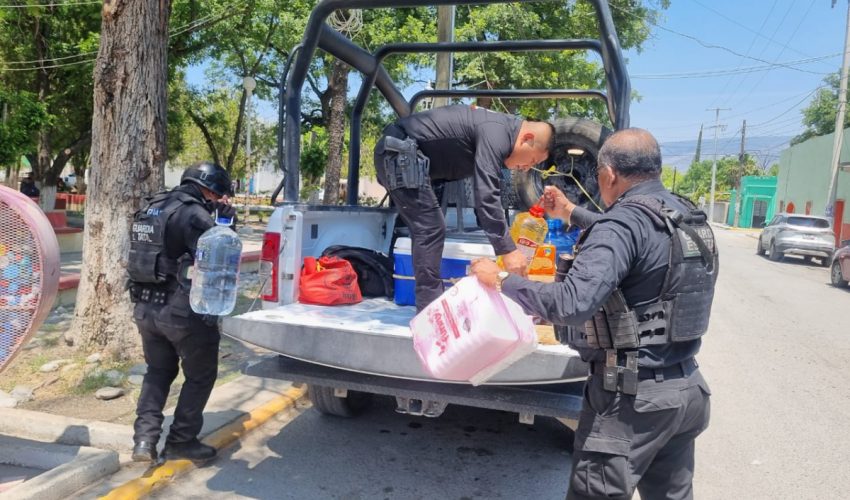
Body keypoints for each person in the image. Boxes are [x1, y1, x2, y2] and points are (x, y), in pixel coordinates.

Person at [471, 128, 717, 500]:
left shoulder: (620, 226)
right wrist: (570, 212)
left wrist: (501, 279)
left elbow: (571, 304)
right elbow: (636, 238)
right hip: (685, 393)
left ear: (608, 175)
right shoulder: (684, 216)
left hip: (631, 403)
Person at [374, 103, 555, 311]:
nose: (526, 168)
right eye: (531, 160)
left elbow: (487, 197)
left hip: (412, 159)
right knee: (430, 228)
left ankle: (429, 303)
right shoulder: (497, 132)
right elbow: (486, 195)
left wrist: (502, 243)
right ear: (527, 138)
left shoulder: (501, 131)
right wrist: (508, 251)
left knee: (428, 224)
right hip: (399, 153)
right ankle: (429, 312)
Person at [126, 161, 237, 463]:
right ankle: (181, 441)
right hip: (180, 311)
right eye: (218, 196)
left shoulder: (152, 206)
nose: (219, 202)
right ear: (209, 190)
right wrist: (226, 225)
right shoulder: (193, 213)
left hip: (145, 307)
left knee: (158, 371)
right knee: (201, 375)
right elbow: (220, 257)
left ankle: (144, 440)